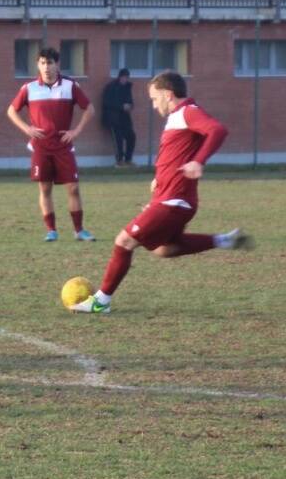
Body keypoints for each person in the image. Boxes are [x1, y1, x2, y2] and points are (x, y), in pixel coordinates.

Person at [70, 71, 250, 314]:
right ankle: (223, 240)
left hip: (174, 201)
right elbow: (176, 154)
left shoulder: (188, 111)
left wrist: (198, 161)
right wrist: (160, 180)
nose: (154, 105)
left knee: (123, 241)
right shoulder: (178, 117)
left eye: (155, 99)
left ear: (168, 94)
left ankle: (101, 302)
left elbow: (217, 130)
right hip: (172, 199)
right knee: (164, 249)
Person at [6, 47, 96, 243]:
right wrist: (27, 129)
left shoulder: (70, 86)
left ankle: (79, 230)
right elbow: (11, 111)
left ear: (57, 64)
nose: (46, 67)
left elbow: (89, 108)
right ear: (38, 65)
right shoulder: (29, 88)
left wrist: (76, 131)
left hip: (64, 146)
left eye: (50, 63)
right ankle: (51, 231)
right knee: (45, 189)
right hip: (41, 147)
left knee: (73, 188)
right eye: (42, 63)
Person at [102, 68, 135, 166]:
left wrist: (130, 106)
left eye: (127, 78)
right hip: (113, 118)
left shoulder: (128, 87)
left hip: (125, 117)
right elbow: (107, 102)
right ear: (120, 77)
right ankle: (119, 161)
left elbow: (131, 101)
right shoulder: (111, 87)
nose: (125, 79)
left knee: (131, 136)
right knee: (118, 139)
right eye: (123, 77)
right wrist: (121, 106)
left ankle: (128, 159)